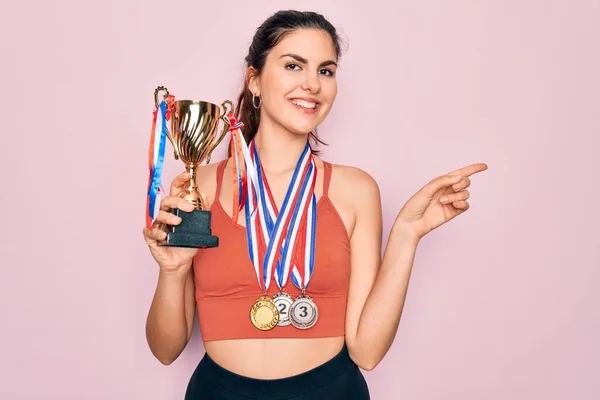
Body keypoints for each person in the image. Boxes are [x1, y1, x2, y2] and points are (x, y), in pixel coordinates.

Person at [142, 9, 488, 400]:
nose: (312, 85)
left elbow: (368, 352)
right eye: (293, 65)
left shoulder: (355, 190)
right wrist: (171, 273)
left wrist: (407, 234)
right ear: (253, 80)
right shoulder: (198, 185)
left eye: (326, 71)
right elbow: (166, 350)